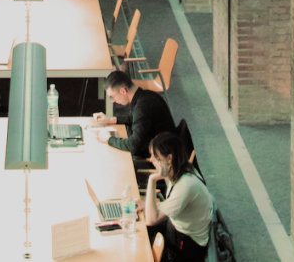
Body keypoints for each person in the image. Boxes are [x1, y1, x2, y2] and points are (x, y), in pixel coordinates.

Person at [141, 130, 213, 261]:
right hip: (178, 230)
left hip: (188, 246)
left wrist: (152, 179)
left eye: (155, 157)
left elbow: (151, 219)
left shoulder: (185, 185)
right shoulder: (179, 172)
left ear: (169, 158)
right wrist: (148, 204)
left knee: (143, 234)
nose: (151, 160)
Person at [89, 68, 174, 162]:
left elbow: (133, 146)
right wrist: (112, 120)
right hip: (163, 144)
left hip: (161, 156)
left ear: (123, 91)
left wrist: (109, 139)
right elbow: (136, 119)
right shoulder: (146, 96)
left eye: (112, 97)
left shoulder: (142, 108)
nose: (112, 101)